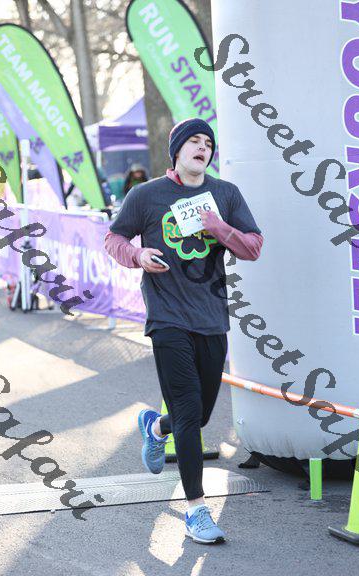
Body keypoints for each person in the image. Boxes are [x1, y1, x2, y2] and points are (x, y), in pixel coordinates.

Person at [105, 118, 263, 544]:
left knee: (201, 413)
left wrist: (218, 227)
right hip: (167, 317)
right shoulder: (146, 195)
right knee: (190, 414)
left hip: (211, 317)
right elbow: (114, 239)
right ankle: (196, 510)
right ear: (177, 150)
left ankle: (157, 428)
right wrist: (137, 256)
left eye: (208, 142)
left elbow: (253, 247)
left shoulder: (225, 194)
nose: (202, 147)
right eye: (194, 141)